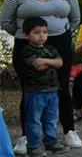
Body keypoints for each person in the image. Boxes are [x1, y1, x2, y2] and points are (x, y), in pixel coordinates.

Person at [0, 0, 82, 153]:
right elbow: (5, 20)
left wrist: (60, 32)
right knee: (30, 90)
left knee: (62, 87)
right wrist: (24, 35)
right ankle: (26, 137)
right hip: (27, 46)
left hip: (60, 44)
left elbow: (75, 19)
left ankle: (68, 131)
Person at [19, 17, 65, 155]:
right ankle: (33, 146)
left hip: (52, 90)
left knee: (51, 119)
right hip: (35, 92)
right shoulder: (27, 51)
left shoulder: (50, 48)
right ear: (27, 35)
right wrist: (51, 62)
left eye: (44, 32)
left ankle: (51, 142)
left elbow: (60, 63)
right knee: (34, 120)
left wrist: (44, 60)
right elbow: (37, 66)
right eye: (37, 32)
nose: (41, 35)